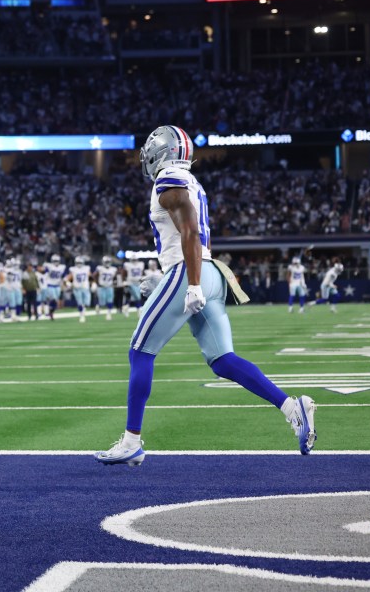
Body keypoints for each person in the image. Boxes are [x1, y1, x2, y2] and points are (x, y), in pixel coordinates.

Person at [95, 126, 317, 467]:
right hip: (208, 270)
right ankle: (292, 407)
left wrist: (190, 283)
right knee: (223, 360)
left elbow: (189, 231)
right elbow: (184, 234)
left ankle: (131, 441)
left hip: (193, 271)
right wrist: (171, 276)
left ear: (162, 152)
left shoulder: (167, 179)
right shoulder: (190, 180)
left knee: (140, 351)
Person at [67, 256, 92, 323]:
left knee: (87, 303)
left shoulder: (86, 268)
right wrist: (68, 283)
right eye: (78, 262)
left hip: (85, 287)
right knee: (80, 303)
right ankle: (81, 315)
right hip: (77, 288)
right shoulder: (73, 269)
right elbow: (68, 277)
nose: (79, 264)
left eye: (80, 262)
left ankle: (83, 313)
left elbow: (90, 276)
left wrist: (93, 283)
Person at [41, 254, 66, 320]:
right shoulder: (49, 266)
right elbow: (44, 271)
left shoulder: (62, 267)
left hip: (57, 285)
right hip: (50, 284)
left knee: (56, 300)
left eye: (57, 260)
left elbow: (63, 276)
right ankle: (49, 310)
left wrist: (64, 282)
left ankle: (51, 311)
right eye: (54, 261)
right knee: (53, 299)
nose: (56, 262)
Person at [95, 256, 118, 321]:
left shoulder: (113, 269)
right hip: (101, 287)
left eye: (108, 262)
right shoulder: (100, 268)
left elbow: (115, 277)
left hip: (109, 286)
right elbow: (94, 275)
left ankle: (109, 314)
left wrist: (114, 283)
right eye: (106, 262)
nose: (107, 263)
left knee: (110, 300)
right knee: (102, 302)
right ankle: (98, 306)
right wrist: (97, 283)